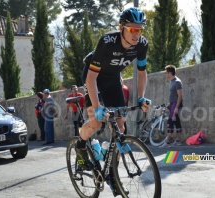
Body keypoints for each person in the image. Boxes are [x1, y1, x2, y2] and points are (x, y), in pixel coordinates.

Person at [75, 7, 151, 196]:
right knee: (96, 119)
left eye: (139, 29)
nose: (136, 34)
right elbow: (91, 78)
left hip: (112, 80)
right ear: (122, 27)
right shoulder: (108, 42)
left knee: (121, 128)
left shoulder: (142, 45)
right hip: (93, 77)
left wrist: (141, 96)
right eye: (132, 29)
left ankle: (111, 176)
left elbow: (142, 73)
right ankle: (81, 146)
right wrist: (98, 107)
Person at [160, 65, 183, 148]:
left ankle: (168, 141)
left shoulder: (177, 82)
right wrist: (169, 105)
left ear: (170, 73)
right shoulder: (172, 81)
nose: (165, 74)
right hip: (172, 104)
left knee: (170, 121)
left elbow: (180, 96)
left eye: (166, 72)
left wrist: (176, 108)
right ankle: (178, 140)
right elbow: (173, 95)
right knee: (176, 121)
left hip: (176, 104)